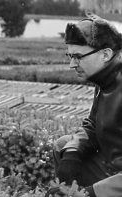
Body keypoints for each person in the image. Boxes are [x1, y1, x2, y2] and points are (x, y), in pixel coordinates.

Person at [50, 13, 122, 197]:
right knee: (63, 146)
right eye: (69, 56)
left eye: (78, 56)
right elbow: (92, 125)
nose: (71, 64)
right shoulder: (105, 81)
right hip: (112, 167)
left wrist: (92, 192)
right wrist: (73, 151)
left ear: (106, 54)